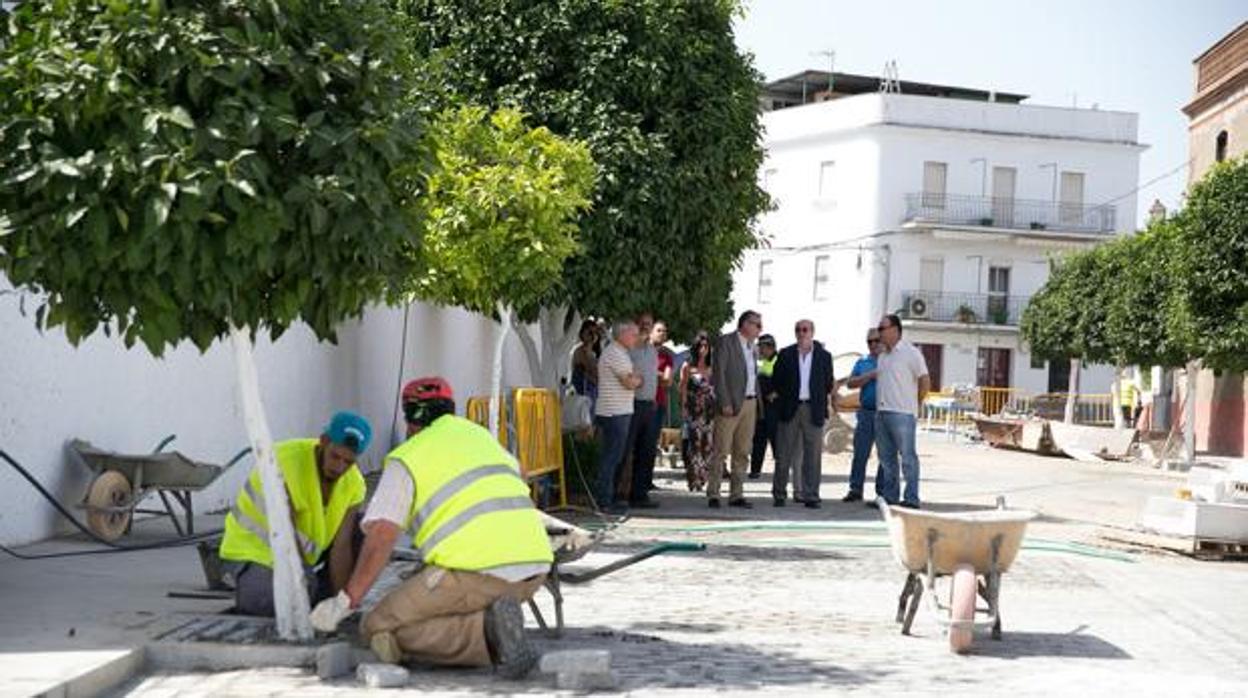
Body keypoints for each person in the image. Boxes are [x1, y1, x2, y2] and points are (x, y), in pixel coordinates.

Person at [309, 378, 553, 679]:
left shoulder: (408, 457)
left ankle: (488, 635)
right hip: (535, 570)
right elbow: (522, 477)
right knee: (434, 598)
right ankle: (497, 622)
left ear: (410, 422)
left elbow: (381, 538)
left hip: (478, 574)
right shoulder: (482, 437)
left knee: (378, 627)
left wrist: (346, 601)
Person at [219, 411, 371, 617]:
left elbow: (341, 547)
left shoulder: (354, 483)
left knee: (367, 533)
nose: (339, 467)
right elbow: (285, 534)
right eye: (335, 456)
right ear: (324, 442)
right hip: (255, 553)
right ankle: (305, 595)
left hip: (305, 557)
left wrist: (342, 605)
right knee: (273, 603)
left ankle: (317, 598)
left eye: (348, 462)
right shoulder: (281, 462)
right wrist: (304, 579)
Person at [771, 320, 834, 508]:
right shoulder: (785, 354)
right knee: (783, 454)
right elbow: (777, 380)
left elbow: (828, 383)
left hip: (812, 409)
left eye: (805, 330)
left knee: (812, 456)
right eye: (797, 330)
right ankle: (779, 494)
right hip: (790, 408)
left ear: (812, 332)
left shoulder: (824, 356)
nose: (801, 333)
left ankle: (811, 495)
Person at [872, 314, 930, 509]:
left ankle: (912, 498)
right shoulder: (882, 356)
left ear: (895, 330)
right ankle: (890, 496)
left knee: (908, 457)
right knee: (886, 459)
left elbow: (924, 380)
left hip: (902, 414)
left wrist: (916, 403)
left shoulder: (911, 353)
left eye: (882, 329)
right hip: (882, 413)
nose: (879, 333)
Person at [709, 310, 763, 508]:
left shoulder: (753, 347)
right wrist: (724, 401)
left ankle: (736, 494)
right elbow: (719, 374)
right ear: (745, 324)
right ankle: (714, 493)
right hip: (730, 403)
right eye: (756, 325)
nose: (760, 329)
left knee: (742, 451)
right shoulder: (726, 342)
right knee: (721, 450)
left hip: (750, 403)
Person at [594, 321, 642, 512]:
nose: (636, 338)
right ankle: (604, 501)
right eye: (633, 334)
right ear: (622, 334)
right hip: (614, 412)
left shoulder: (620, 353)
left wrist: (635, 379)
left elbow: (632, 378)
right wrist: (637, 380)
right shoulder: (615, 353)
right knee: (611, 457)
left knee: (614, 457)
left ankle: (608, 498)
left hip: (618, 411)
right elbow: (630, 382)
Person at [620, 312, 660, 508]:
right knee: (626, 450)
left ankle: (639, 494)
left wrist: (652, 399)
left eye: (649, 324)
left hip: (648, 405)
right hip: (631, 404)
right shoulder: (629, 349)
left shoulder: (652, 350)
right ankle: (618, 494)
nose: (646, 327)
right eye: (642, 324)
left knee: (647, 451)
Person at [842, 328, 882, 502]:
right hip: (866, 412)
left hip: (885, 413)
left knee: (885, 456)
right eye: (869, 342)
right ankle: (855, 489)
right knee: (860, 453)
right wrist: (869, 376)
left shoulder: (890, 360)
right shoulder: (862, 362)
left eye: (876, 341)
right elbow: (850, 383)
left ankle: (882, 492)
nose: (873, 344)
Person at [679, 332, 715, 491]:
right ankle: (693, 479)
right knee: (694, 444)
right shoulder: (688, 366)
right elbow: (683, 388)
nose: (703, 349)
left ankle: (703, 476)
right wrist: (684, 407)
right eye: (700, 346)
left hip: (710, 411)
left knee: (708, 445)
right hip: (694, 410)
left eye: (706, 346)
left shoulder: (712, 367)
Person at [650, 320, 676, 491]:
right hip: (641, 402)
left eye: (665, 331)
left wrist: (652, 373)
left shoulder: (667, 355)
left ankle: (646, 481)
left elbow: (668, 382)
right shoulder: (642, 350)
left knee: (652, 444)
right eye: (659, 330)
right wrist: (658, 374)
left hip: (659, 403)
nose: (662, 333)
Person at [749, 334, 779, 480]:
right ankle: (755, 470)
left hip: (774, 408)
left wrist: (776, 393)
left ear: (770, 347)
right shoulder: (761, 362)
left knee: (776, 440)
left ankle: (781, 470)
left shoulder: (779, 361)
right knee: (758, 439)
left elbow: (787, 381)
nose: (759, 350)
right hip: (760, 407)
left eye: (761, 347)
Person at [570, 319, 600, 407]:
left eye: (595, 332)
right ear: (582, 333)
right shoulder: (580, 351)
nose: (592, 335)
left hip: (594, 394)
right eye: (589, 332)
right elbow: (593, 370)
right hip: (584, 393)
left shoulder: (595, 351)